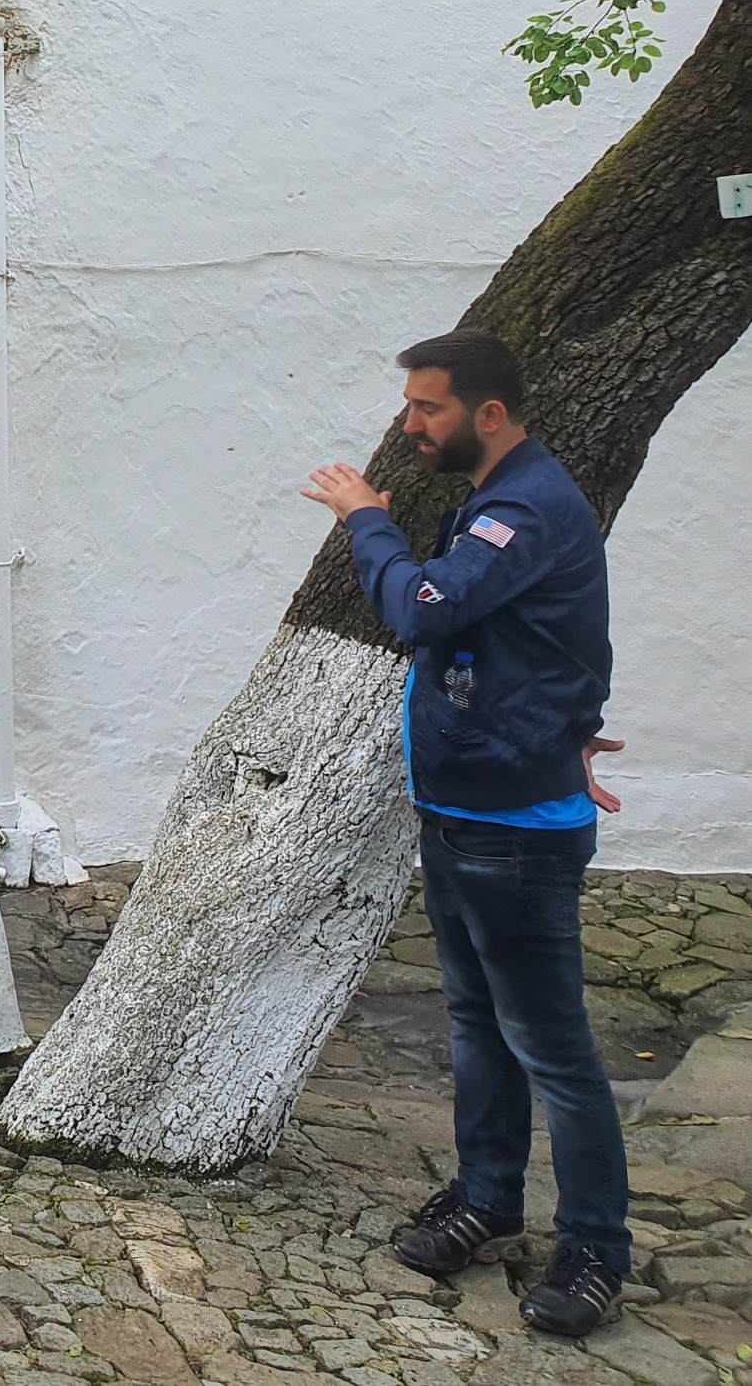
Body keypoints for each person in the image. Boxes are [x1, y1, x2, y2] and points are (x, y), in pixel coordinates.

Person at [303, 329, 629, 1337]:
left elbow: (426, 610)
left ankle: (595, 1252)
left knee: (552, 1050)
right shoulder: (493, 501)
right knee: (475, 1025)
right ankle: (488, 1198)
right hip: (460, 809)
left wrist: (366, 522)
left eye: (425, 409)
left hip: (514, 829)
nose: (408, 427)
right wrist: (564, 721)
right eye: (409, 407)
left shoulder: (526, 504)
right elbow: (549, 638)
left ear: (488, 415)